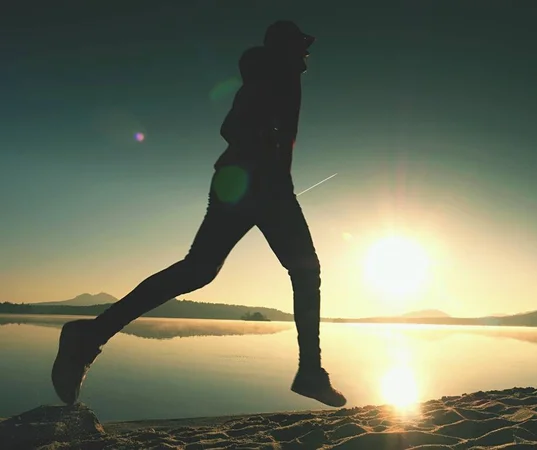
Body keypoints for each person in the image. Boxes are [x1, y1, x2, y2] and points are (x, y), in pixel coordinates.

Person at [51, 20, 347, 408]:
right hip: (257, 183)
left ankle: (89, 337)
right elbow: (231, 125)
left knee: (200, 270)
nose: (308, 52)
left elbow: (239, 122)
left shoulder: (277, 74)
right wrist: (261, 141)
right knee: (304, 270)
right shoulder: (276, 74)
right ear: (286, 48)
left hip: (252, 181)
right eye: (303, 46)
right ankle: (310, 371)